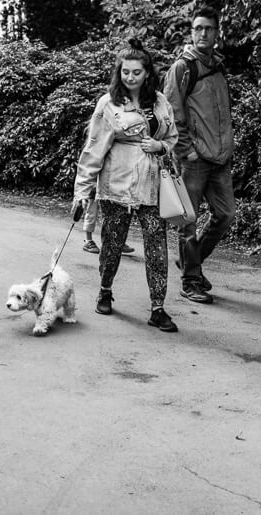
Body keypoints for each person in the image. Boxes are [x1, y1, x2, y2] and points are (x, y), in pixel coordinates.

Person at [72, 38, 180, 332]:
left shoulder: (159, 102)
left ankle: (158, 308)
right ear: (118, 72)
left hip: (151, 186)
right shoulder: (108, 104)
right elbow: (93, 149)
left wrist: (160, 146)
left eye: (136, 72)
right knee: (112, 245)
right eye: (125, 72)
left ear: (148, 74)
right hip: (116, 187)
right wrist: (82, 192)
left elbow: (172, 139)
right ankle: (105, 290)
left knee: (157, 248)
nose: (130, 77)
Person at [161, 6, 235, 305]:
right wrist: (186, 151)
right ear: (192, 32)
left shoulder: (218, 67)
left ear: (217, 34)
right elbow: (169, 112)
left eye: (209, 28)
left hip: (220, 158)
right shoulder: (183, 68)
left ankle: (191, 261)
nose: (203, 33)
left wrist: (227, 147)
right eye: (198, 28)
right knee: (187, 221)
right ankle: (191, 280)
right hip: (193, 159)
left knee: (226, 214)